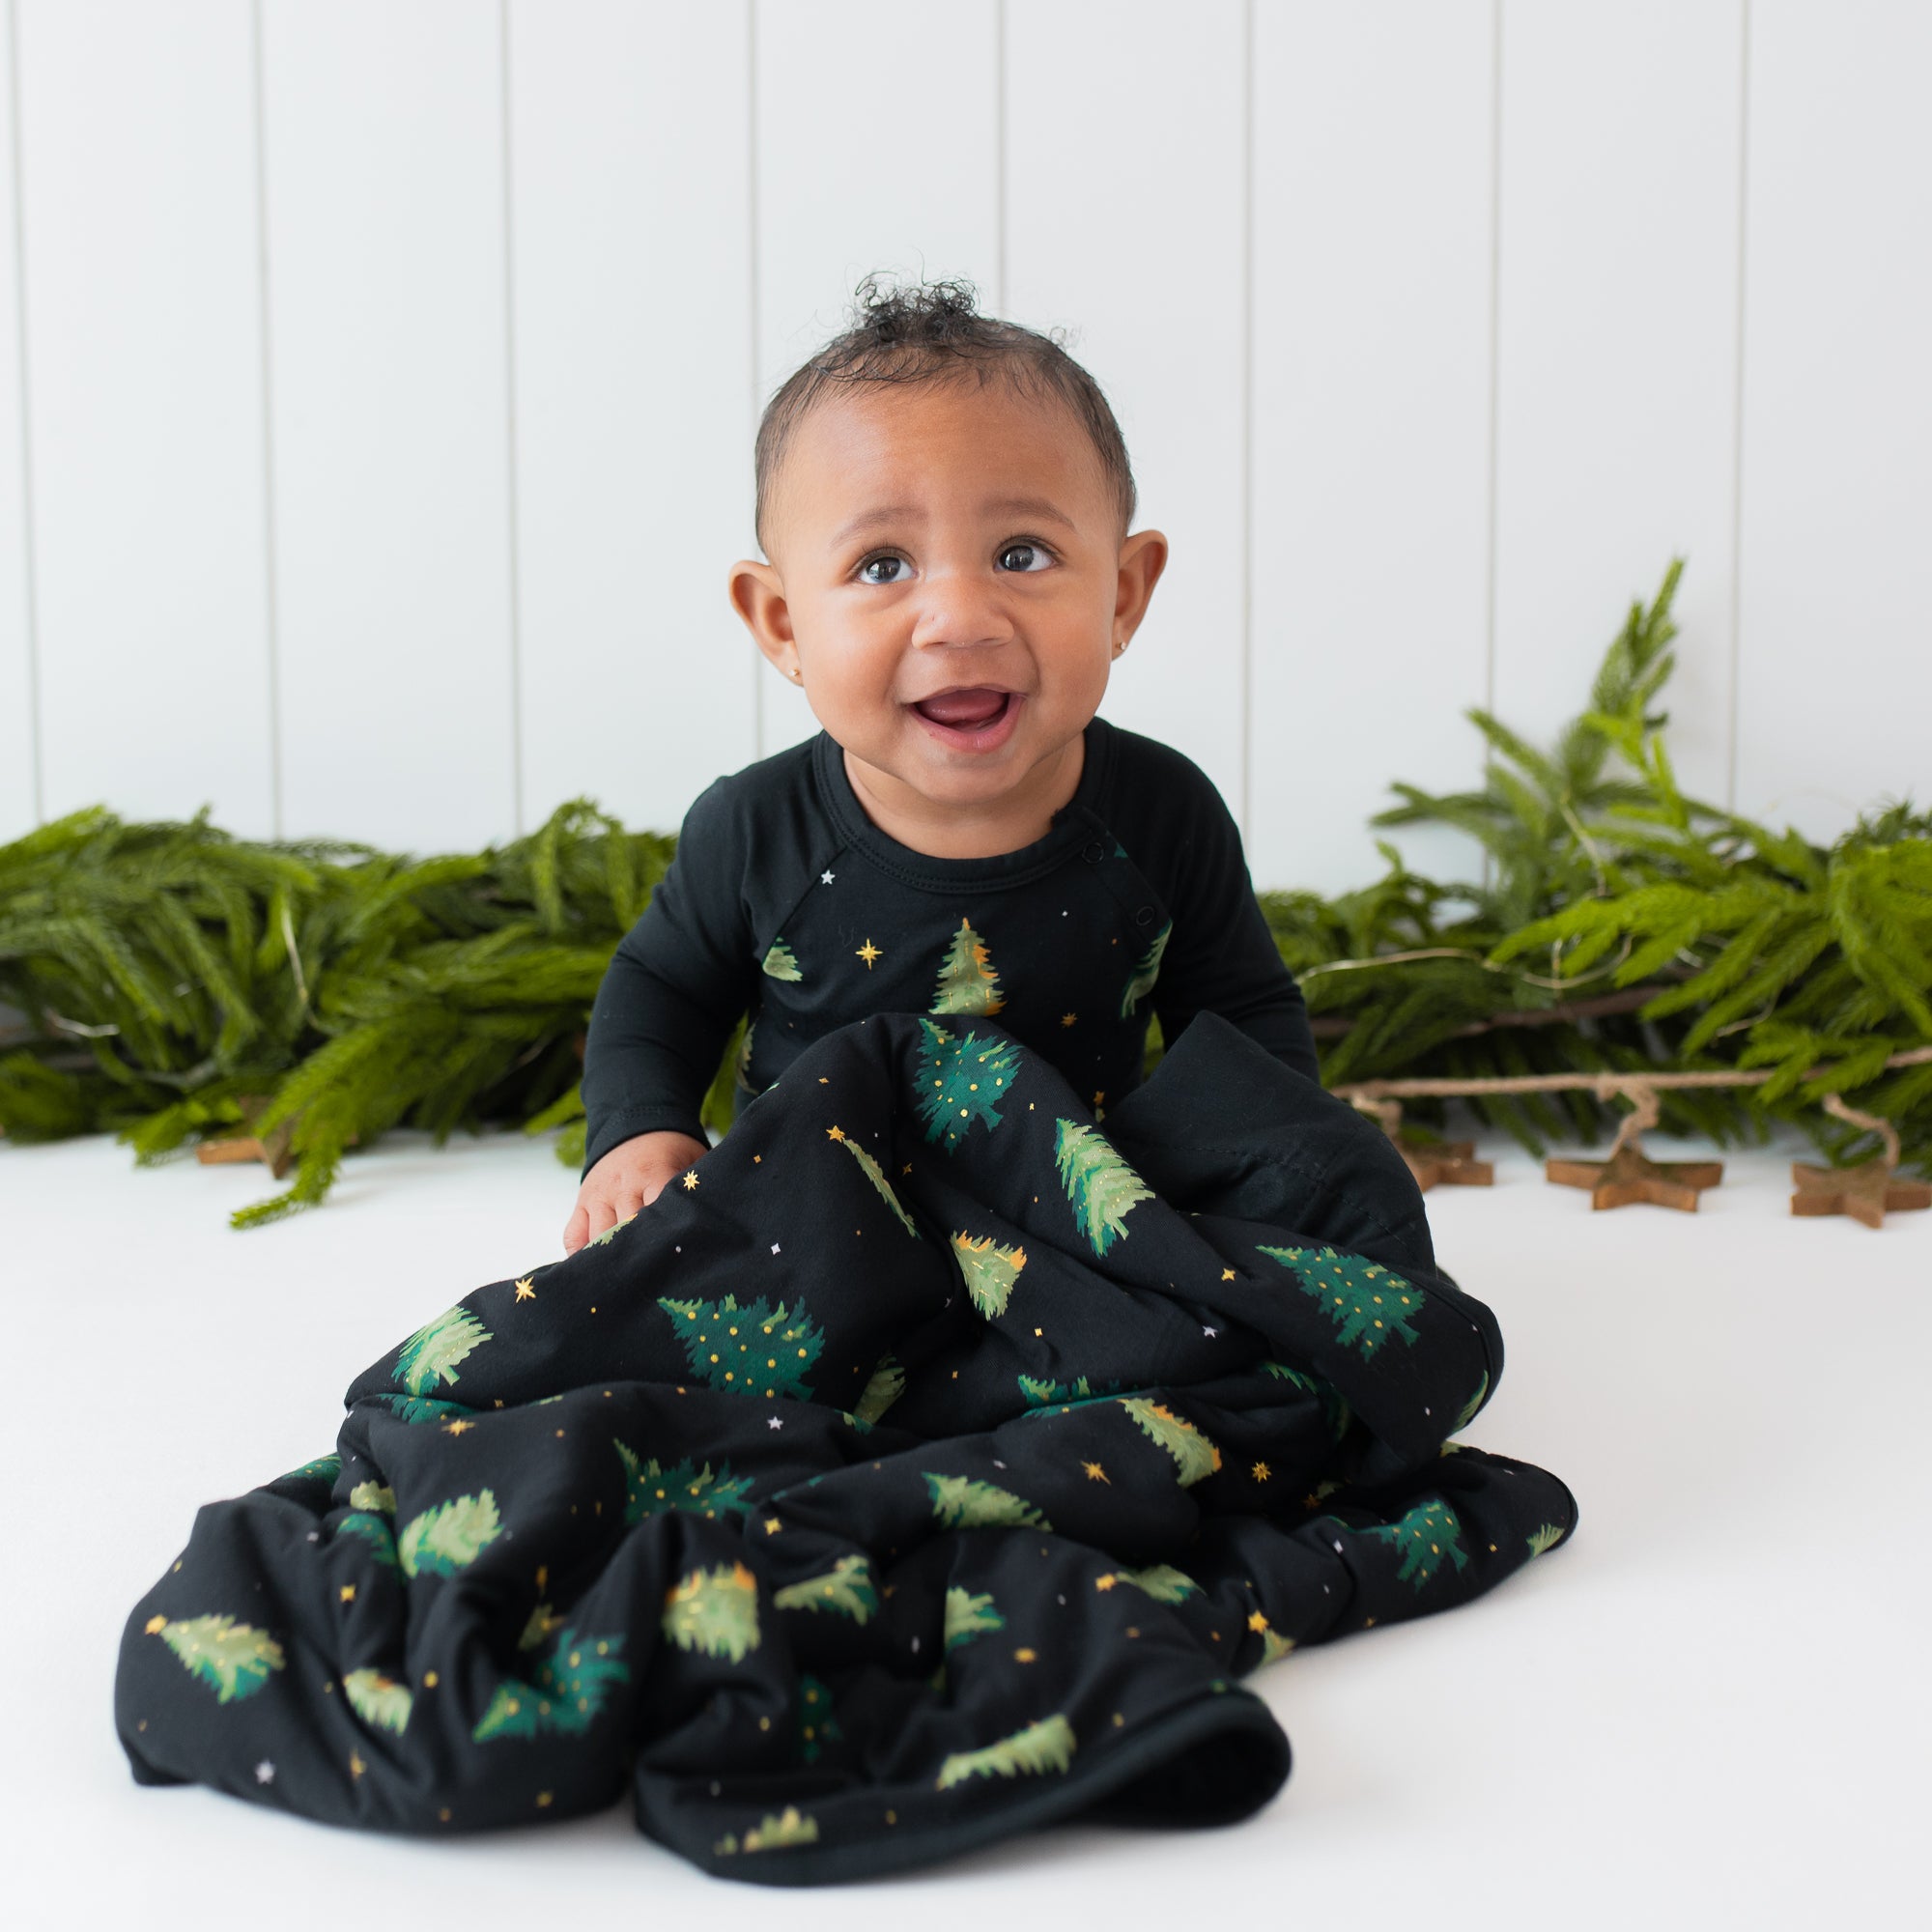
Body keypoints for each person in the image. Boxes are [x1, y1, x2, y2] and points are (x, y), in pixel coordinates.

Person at [562, 274, 1318, 1255]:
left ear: (1122, 595)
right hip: (811, 1223)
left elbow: (1243, 1014)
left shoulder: (1162, 812)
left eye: (1020, 553)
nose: (959, 618)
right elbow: (658, 992)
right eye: (882, 565)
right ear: (783, 624)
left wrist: (1277, 1168)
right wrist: (641, 1131)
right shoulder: (754, 830)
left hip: (1082, 1226)